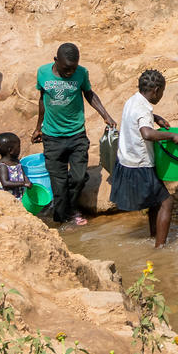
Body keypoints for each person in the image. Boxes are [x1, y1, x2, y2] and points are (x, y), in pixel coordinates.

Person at [36, 42, 111, 228]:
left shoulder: (81, 73)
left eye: (73, 69)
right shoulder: (43, 73)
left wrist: (106, 115)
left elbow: (89, 94)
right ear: (56, 61)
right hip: (52, 137)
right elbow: (42, 100)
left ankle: (66, 209)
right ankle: (63, 219)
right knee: (58, 183)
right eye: (65, 69)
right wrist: (38, 127)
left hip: (77, 134)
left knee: (78, 177)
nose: (70, 73)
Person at [111, 68, 177, 248]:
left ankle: (154, 235)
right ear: (156, 90)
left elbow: (139, 118)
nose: (161, 95)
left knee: (156, 201)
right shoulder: (142, 109)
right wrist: (172, 136)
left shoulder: (133, 101)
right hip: (140, 165)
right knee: (167, 202)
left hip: (126, 160)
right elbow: (146, 133)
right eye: (162, 92)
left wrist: (155, 117)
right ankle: (160, 248)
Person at [0, 131, 36, 204]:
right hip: (6, 198)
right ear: (10, 150)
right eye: (18, 147)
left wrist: (27, 181)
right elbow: (5, 183)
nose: (20, 149)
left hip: (18, 194)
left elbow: (22, 174)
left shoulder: (16, 161)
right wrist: (23, 183)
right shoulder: (3, 166)